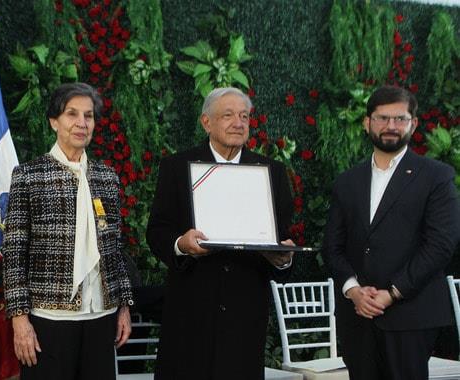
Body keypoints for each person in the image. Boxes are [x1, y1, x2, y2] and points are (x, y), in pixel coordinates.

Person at [146, 87, 295, 379]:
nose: (238, 123)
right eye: (228, 115)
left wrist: (282, 258)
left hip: (245, 312)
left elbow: (281, 236)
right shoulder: (177, 167)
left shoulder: (271, 171)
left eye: (244, 116)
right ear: (206, 122)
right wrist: (181, 244)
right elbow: (157, 231)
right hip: (190, 309)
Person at [324, 85, 460, 380]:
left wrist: (393, 293)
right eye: (382, 118)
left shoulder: (436, 176)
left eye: (400, 119)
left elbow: (441, 244)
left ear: (413, 123)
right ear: (367, 122)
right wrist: (353, 291)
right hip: (357, 318)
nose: (391, 126)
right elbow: (332, 247)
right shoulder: (347, 182)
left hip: (411, 315)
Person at [3, 82, 134, 380]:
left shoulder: (106, 176)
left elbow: (115, 248)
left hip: (101, 317)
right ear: (54, 121)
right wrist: (19, 320)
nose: (81, 123)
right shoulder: (29, 175)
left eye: (88, 116)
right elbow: (13, 254)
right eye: (72, 114)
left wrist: (124, 306)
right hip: (49, 320)